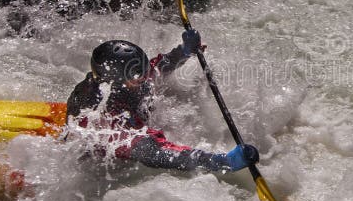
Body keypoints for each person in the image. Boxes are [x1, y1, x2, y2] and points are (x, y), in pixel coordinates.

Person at [66, 31, 259, 173]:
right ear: (115, 83)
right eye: (137, 77)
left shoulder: (127, 78)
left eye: (142, 72)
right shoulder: (106, 119)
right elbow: (155, 152)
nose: (143, 78)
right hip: (99, 162)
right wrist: (219, 161)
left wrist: (183, 52)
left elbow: (157, 68)